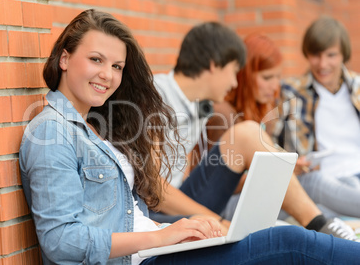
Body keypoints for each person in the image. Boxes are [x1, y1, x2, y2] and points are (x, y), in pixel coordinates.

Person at [19, 9, 360, 264]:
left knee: (280, 237)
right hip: (148, 251)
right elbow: (62, 242)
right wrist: (171, 234)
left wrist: (180, 232)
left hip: (157, 241)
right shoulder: (52, 131)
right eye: (96, 60)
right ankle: (325, 228)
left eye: (117, 67)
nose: (107, 75)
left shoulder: (95, 124)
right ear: (65, 58)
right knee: (289, 242)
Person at [150, 22, 358, 241]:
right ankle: (324, 230)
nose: (233, 82)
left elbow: (196, 173)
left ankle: (323, 228)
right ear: (214, 65)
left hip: (184, 200)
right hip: (156, 215)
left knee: (251, 137)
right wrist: (218, 222)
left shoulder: (200, 106)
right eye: (232, 72)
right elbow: (155, 189)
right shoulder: (156, 96)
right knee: (249, 135)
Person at [207, 32, 360, 239]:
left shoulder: (261, 111)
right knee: (312, 183)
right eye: (267, 77)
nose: (276, 86)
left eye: (278, 77)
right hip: (223, 210)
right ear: (243, 74)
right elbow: (218, 184)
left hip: (251, 199)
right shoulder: (223, 115)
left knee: (335, 187)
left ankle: (337, 227)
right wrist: (283, 173)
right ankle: (328, 228)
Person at [268, 16, 360, 219]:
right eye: (315, 55)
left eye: (331, 55)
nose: (323, 64)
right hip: (322, 181)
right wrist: (290, 162)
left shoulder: (358, 88)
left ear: (344, 54)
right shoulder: (290, 91)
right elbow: (269, 143)